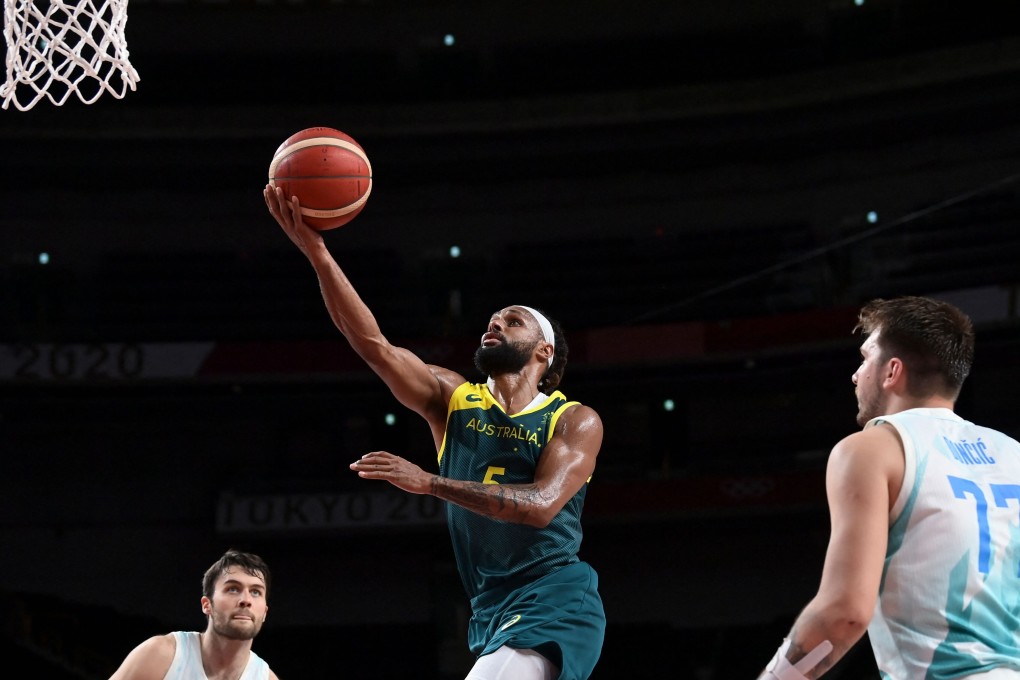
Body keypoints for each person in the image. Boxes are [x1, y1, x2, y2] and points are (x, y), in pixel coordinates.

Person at [264, 186, 606, 680]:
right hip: (491, 605)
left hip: (556, 596)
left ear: (543, 354)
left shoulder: (573, 419)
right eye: (492, 320)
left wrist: (430, 483)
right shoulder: (454, 398)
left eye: (512, 322)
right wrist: (317, 253)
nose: (495, 325)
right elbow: (374, 346)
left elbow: (540, 506)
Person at [758, 296, 1020, 680]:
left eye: (865, 358)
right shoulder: (1012, 453)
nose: (856, 374)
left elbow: (844, 614)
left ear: (892, 371)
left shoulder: (872, 448)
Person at [109, 549, 279, 680]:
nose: (246, 600)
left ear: (264, 612)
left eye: (256, 592)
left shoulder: (264, 677)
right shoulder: (162, 655)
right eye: (233, 589)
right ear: (207, 605)